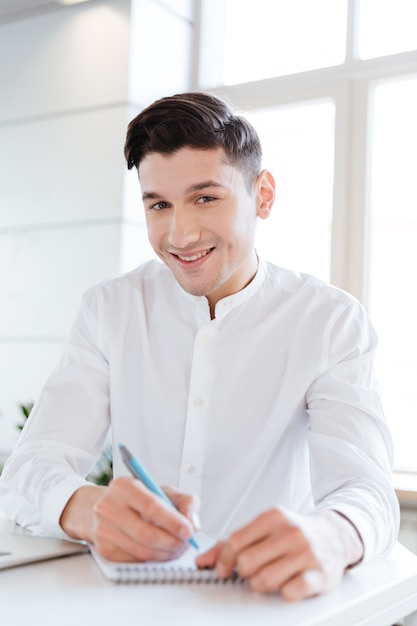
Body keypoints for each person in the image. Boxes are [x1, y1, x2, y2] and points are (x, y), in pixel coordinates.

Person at [0, 91, 399, 600]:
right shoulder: (110, 308)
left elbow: (367, 491)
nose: (180, 234)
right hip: (127, 606)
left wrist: (334, 534)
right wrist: (88, 507)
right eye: (159, 204)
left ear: (263, 196)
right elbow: (27, 473)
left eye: (205, 198)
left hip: (264, 604)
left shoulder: (330, 321)